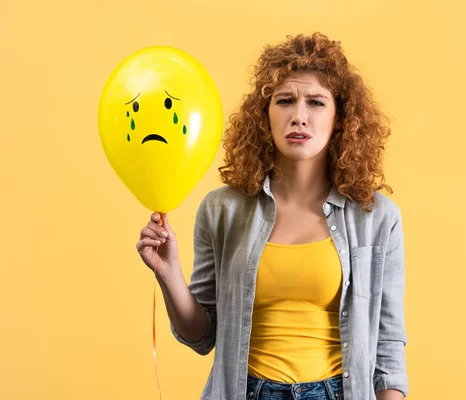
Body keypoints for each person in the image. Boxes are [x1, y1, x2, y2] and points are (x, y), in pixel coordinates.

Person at [136, 32, 408, 400]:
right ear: (265, 115)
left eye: (316, 102)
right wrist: (169, 274)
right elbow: (200, 336)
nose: (299, 116)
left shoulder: (377, 218)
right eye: (285, 101)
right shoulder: (222, 211)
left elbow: (388, 354)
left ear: (340, 118)